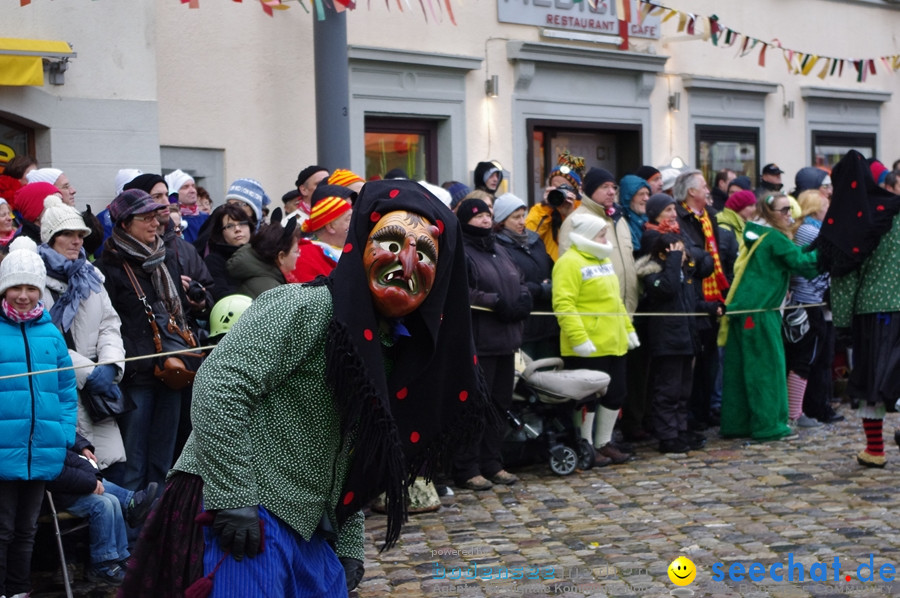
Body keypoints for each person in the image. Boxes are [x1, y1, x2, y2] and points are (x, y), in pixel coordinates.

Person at [120, 179, 486, 596]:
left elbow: (354, 448)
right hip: (245, 505)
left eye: (423, 254)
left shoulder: (388, 348)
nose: (406, 262)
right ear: (361, 243)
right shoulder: (304, 306)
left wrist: (349, 547)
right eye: (391, 243)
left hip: (308, 524)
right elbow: (219, 386)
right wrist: (235, 495)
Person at [97, 189, 196, 491]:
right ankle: (133, 530)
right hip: (137, 373)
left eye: (156, 216)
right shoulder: (109, 267)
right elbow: (109, 323)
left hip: (173, 368)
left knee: (164, 459)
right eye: (146, 218)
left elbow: (180, 311)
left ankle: (161, 525)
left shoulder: (166, 258)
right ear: (125, 223)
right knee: (134, 459)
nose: (155, 223)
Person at [811, 150, 900, 467]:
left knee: (872, 381)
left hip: (874, 311)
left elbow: (846, 279)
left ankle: (875, 451)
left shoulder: (852, 222)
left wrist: (844, 324)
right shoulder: (896, 211)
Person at [0, 236, 77, 598]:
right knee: (2, 528)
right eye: (16, 287)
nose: (24, 295)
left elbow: (65, 390)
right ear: (4, 289)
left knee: (27, 529)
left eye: (31, 287)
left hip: (42, 447)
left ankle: (18, 590)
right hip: (4, 449)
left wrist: (62, 433)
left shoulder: (51, 333)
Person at [719, 193, 820, 441]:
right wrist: (827, 251)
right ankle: (769, 425)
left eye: (790, 210)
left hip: (744, 310)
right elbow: (803, 263)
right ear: (767, 213)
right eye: (783, 210)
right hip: (761, 312)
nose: (789, 215)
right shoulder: (774, 237)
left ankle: (737, 423)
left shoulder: (756, 232)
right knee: (767, 369)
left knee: (739, 370)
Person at [38, 197, 129, 472]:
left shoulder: (91, 276)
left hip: (99, 391)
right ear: (51, 238)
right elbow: (42, 339)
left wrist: (111, 365)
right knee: (81, 471)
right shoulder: (34, 281)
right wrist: (88, 372)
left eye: (80, 235)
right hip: (59, 386)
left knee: (111, 466)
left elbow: (110, 324)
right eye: (67, 234)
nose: (76, 241)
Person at [453, 197, 530, 491]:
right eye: (478, 216)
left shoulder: (499, 248)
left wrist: (522, 298)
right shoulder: (462, 251)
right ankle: (467, 466)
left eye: (487, 215)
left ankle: (492, 461)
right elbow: (464, 291)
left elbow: (518, 278)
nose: (485, 221)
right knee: (477, 405)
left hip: (506, 340)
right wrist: (495, 302)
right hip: (480, 340)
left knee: (500, 404)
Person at [553, 213, 637, 465]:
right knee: (587, 399)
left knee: (616, 393)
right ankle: (586, 445)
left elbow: (615, 302)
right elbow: (563, 303)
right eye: (601, 234)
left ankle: (603, 442)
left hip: (614, 342)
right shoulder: (569, 262)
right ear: (589, 235)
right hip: (587, 346)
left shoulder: (603, 260)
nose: (605, 238)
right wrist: (579, 338)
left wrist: (628, 331)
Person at [636, 232, 718, 453]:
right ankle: (667, 435)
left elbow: (691, 304)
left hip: (686, 338)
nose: (683, 256)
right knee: (668, 391)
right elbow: (668, 290)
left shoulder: (684, 275)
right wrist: (673, 261)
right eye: (678, 252)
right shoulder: (653, 276)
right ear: (665, 255)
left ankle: (680, 430)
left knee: (683, 391)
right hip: (668, 341)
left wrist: (711, 308)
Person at [45, 435, 157, 586]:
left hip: (68, 485)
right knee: (103, 504)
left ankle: (121, 556)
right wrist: (91, 480)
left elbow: (71, 452)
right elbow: (59, 473)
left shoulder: (52, 434)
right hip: (54, 495)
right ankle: (103, 563)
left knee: (112, 500)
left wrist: (82, 449)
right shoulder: (42, 444)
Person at [674, 171, 730, 431]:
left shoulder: (710, 217)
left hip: (713, 291)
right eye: (704, 186)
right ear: (691, 192)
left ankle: (706, 409)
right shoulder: (680, 216)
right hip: (694, 295)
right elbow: (693, 255)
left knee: (711, 361)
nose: (708, 190)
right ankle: (693, 414)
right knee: (695, 363)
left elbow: (715, 252)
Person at [786, 189, 843, 426]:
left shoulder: (807, 229)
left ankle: (807, 409)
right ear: (813, 209)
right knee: (808, 358)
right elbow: (834, 253)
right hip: (808, 301)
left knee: (816, 358)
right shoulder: (809, 230)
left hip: (814, 300)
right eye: (825, 206)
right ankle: (797, 412)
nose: (829, 211)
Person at [559, 167, 640, 315]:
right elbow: (567, 273)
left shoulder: (620, 220)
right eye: (605, 187)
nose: (611, 191)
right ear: (590, 190)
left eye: (613, 187)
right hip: (595, 316)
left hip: (626, 313)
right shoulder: (576, 221)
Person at [494, 193, 559, 360]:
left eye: (523, 215)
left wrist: (553, 284)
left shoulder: (535, 240)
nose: (522, 221)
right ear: (501, 220)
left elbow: (552, 267)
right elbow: (510, 284)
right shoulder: (498, 246)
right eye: (516, 217)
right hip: (523, 327)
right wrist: (541, 289)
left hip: (547, 324)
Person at [525, 152, 584, 261]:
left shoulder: (583, 210)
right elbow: (528, 237)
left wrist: (570, 214)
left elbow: (584, 242)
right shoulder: (541, 210)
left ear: (575, 191)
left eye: (565, 188)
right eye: (556, 187)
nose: (560, 191)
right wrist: (547, 206)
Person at [293, 185, 354, 282]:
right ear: (331, 227)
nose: (354, 223)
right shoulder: (305, 256)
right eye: (349, 219)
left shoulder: (354, 246)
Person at [227, 219, 301, 298]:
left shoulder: (257, 272)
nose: (299, 255)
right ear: (281, 256)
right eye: (295, 251)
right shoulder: (272, 292)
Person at [202, 204, 254, 301]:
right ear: (221, 233)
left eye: (242, 223)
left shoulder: (261, 253)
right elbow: (220, 294)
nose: (237, 229)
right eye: (230, 226)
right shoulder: (214, 261)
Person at [165, 169, 208, 244]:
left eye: (193, 186)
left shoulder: (206, 217)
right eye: (185, 187)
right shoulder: (171, 220)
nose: (192, 190)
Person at [618, 174, 651, 255]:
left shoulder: (649, 219)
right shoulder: (622, 222)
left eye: (648, 194)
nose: (646, 198)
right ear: (628, 197)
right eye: (641, 194)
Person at [716, 189, 756, 255]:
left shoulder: (744, 225)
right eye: (751, 205)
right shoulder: (724, 228)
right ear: (739, 207)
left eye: (755, 205)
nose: (755, 209)